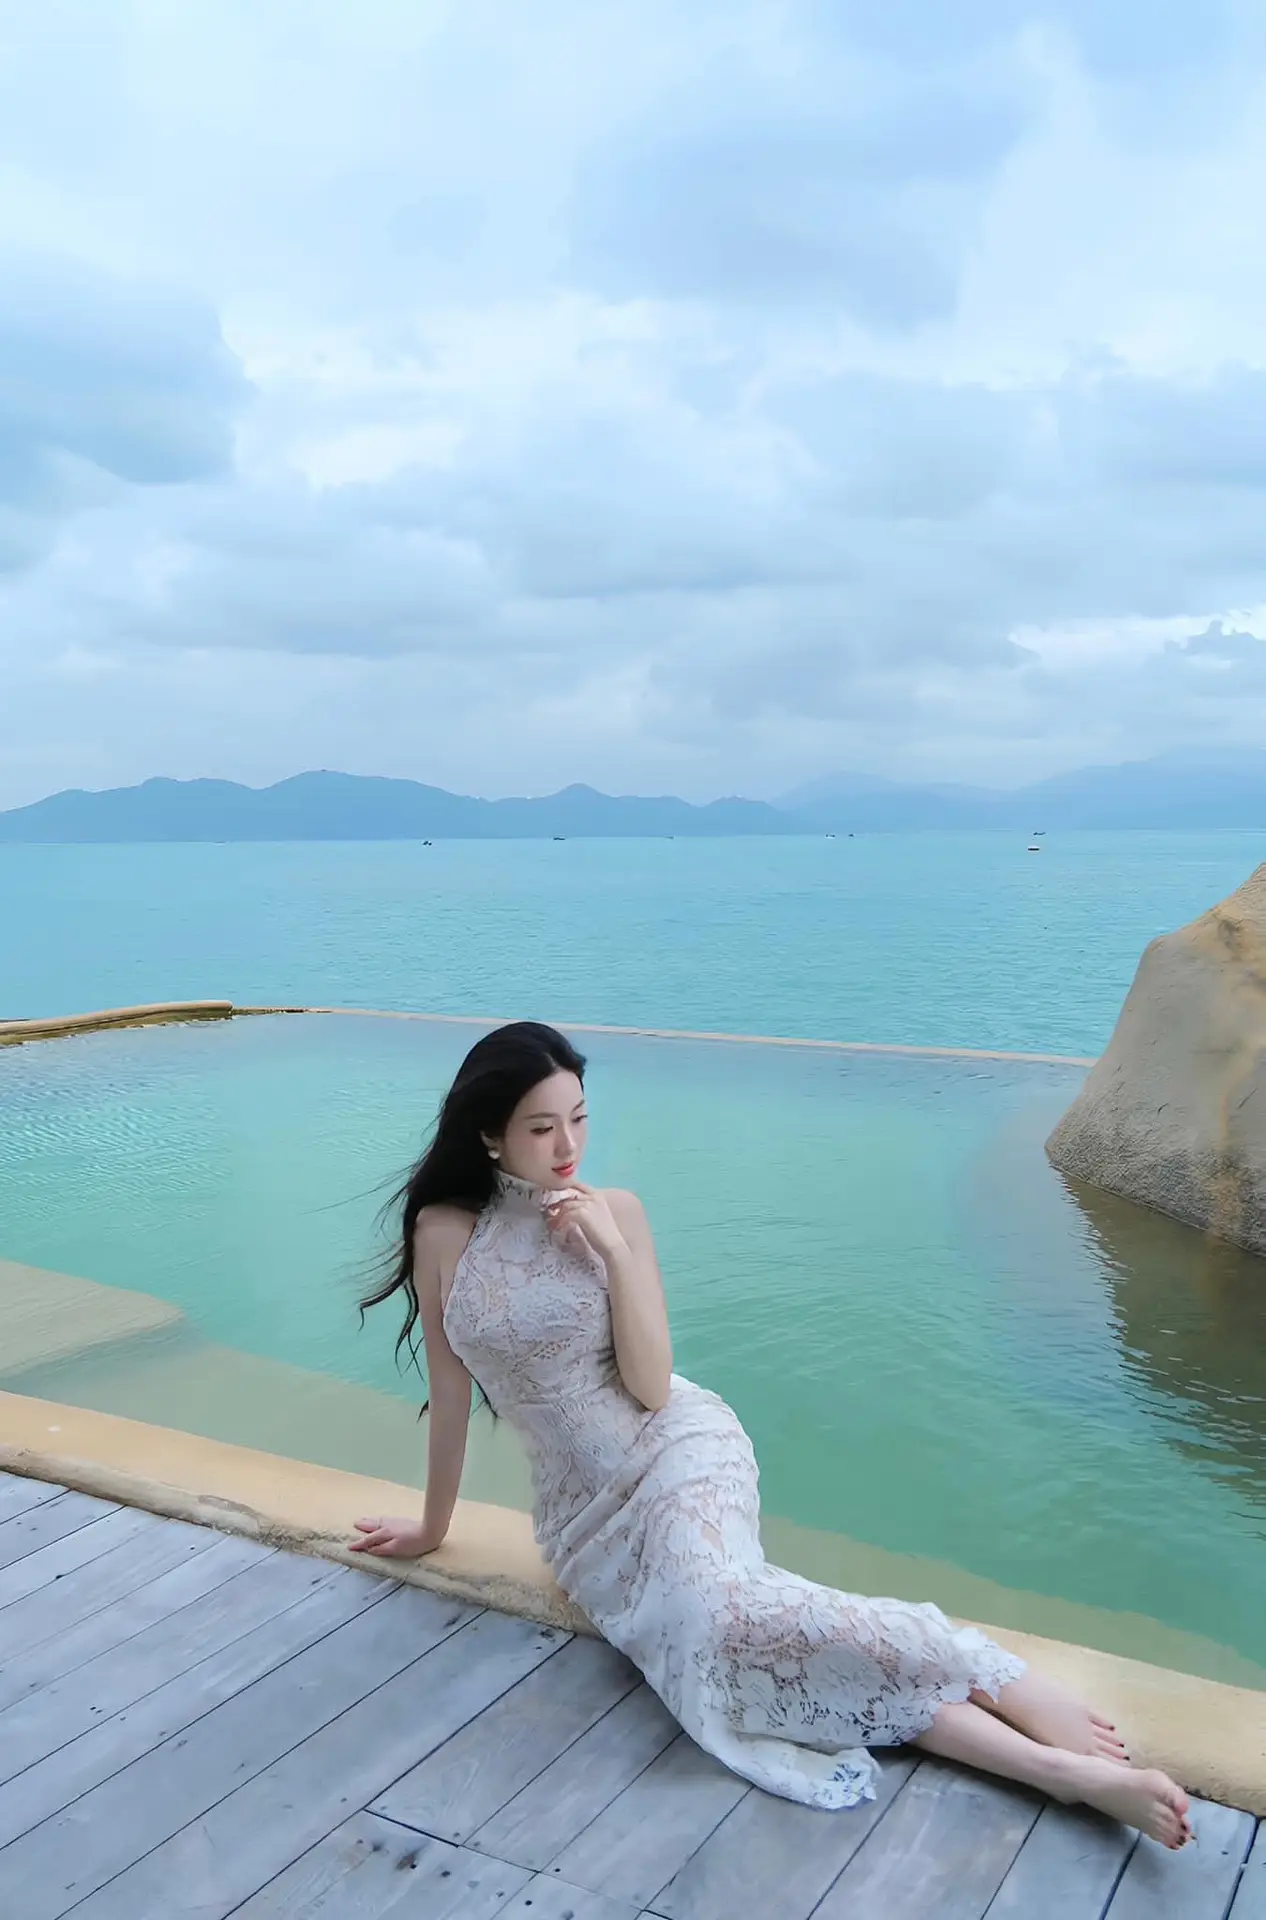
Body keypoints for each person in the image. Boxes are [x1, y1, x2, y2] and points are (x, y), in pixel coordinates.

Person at [350, 1021, 1192, 1847]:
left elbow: (650, 1387)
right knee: (733, 1640)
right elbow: (449, 1394)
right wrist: (431, 1527)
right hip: (583, 1524)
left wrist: (613, 1252)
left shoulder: (617, 1215)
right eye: (541, 1127)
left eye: (579, 1117)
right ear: (490, 1135)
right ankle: (1050, 1760)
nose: (568, 1144)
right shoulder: (441, 1234)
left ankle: (1014, 1699)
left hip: (676, 1453)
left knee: (725, 1616)